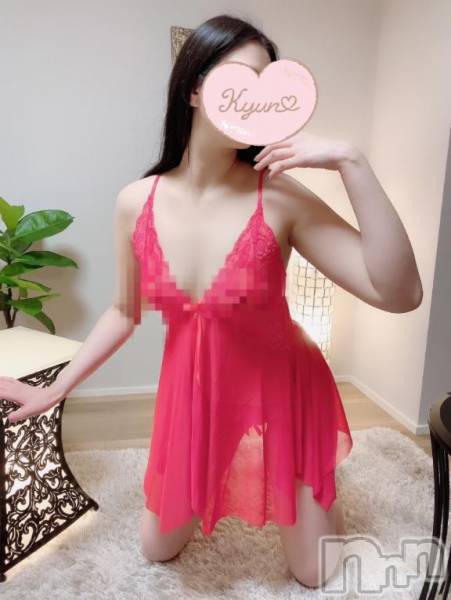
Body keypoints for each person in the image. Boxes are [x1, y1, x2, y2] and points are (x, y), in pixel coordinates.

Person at [0, 14, 423, 590]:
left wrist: (352, 161)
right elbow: (124, 311)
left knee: (315, 572)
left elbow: (399, 293)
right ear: (194, 89)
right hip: (195, 397)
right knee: (157, 549)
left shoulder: (279, 197)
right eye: (240, 80)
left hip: (283, 392)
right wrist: (54, 389)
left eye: (268, 86)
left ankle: (308, 475)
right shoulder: (136, 201)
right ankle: (232, 468)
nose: (256, 102)